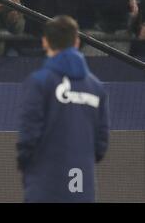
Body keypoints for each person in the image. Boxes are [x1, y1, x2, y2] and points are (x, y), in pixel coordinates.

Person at [17, 15, 110, 202]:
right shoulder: (96, 87)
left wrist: (26, 164)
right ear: (76, 42)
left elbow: (29, 133)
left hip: (44, 186)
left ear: (45, 42)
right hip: (84, 187)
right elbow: (101, 143)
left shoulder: (39, 82)